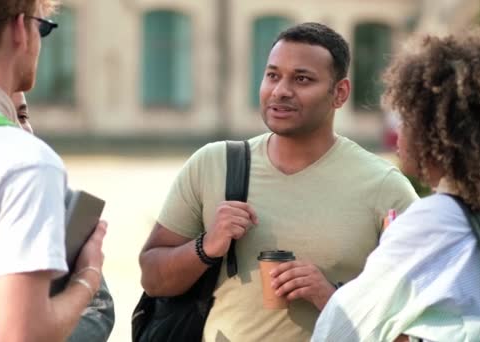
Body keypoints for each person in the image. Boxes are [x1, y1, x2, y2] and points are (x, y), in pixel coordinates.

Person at [139, 22, 418, 341]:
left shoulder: (385, 187)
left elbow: (415, 321)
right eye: (273, 75)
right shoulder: (213, 164)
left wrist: (330, 297)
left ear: (339, 93)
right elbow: (153, 279)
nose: (280, 90)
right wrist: (207, 246)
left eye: (302, 79)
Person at [312, 30, 480, 341]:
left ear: (441, 134)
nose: (399, 131)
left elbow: (342, 328)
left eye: (408, 117)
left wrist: (325, 295)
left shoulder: (438, 219)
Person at [0, 1, 107, 341]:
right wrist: (87, 277)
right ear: (20, 29)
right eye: (41, 27)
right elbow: (20, 336)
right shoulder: (25, 162)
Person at [10, 91, 115, 342]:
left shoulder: (56, 199)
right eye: (2, 117)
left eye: (23, 115)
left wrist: (87, 276)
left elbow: (100, 311)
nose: (21, 129)